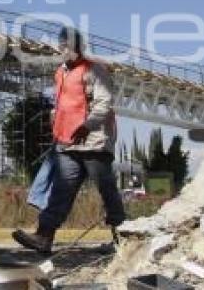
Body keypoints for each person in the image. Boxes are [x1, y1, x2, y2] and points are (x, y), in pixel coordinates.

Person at [12, 27, 125, 253]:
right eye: (63, 46)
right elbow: (64, 102)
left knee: (106, 189)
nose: (66, 50)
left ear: (79, 47)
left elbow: (104, 103)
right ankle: (44, 236)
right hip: (67, 142)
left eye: (71, 46)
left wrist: (88, 125)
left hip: (93, 142)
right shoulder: (61, 72)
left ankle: (123, 237)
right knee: (61, 191)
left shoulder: (95, 70)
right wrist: (56, 120)